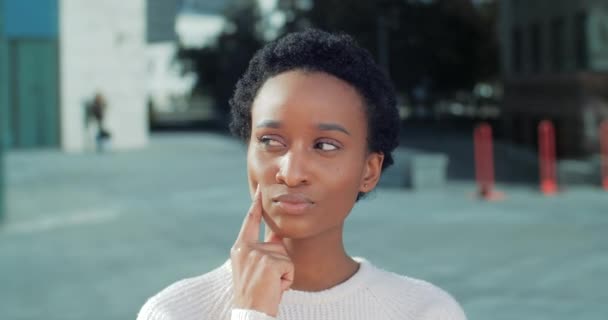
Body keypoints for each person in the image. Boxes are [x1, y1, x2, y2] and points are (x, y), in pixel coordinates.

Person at [137, 29, 467, 320]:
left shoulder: (427, 312)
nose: (291, 174)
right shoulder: (173, 312)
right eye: (270, 141)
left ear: (369, 170)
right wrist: (251, 311)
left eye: (324, 146)